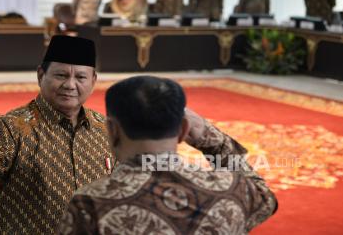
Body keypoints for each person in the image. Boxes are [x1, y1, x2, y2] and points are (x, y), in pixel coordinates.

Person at [0, 38, 241, 234]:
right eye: (61, 75)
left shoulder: (105, 127)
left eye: (80, 76)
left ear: (94, 79)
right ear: (41, 75)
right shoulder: (15, 126)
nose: (70, 85)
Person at [59, 76, 278, 234]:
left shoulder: (91, 204)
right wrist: (214, 142)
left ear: (113, 130)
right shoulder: (232, 189)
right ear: (183, 130)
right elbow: (266, 199)